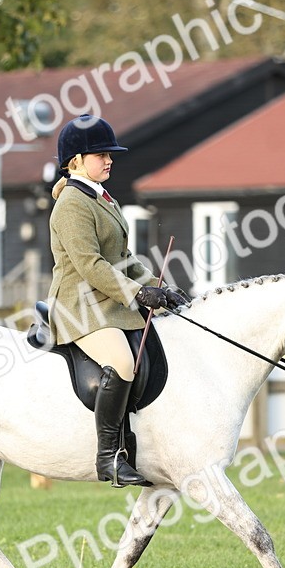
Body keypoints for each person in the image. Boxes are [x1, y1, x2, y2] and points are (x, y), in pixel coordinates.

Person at [46, 114, 189, 487]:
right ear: (76, 161)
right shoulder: (72, 204)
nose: (109, 160)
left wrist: (160, 287)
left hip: (107, 303)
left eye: (110, 154)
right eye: (101, 155)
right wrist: (138, 294)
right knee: (123, 362)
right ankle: (109, 458)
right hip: (79, 306)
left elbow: (123, 260)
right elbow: (90, 265)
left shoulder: (101, 198)